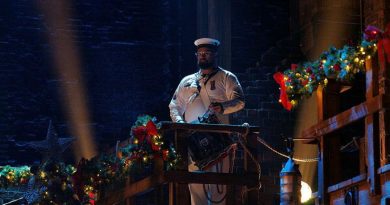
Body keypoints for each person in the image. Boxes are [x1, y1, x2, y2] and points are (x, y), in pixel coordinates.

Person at [169, 38, 245, 205]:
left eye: (207, 53)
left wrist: (223, 106)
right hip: (193, 142)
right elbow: (174, 106)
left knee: (218, 189)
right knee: (195, 189)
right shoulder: (186, 81)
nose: (203, 57)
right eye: (200, 54)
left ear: (214, 55)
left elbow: (240, 101)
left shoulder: (227, 77)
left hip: (219, 142)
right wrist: (181, 125)